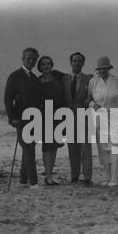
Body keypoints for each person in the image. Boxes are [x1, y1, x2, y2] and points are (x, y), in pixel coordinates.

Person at [87, 56, 118, 187]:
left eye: (105, 69)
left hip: (115, 116)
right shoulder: (93, 82)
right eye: (100, 69)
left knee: (115, 147)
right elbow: (89, 98)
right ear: (97, 70)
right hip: (99, 118)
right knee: (103, 149)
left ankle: (114, 178)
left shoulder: (117, 80)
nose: (102, 71)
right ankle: (107, 178)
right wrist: (92, 105)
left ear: (109, 68)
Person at [4, 47, 42, 189]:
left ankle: (23, 180)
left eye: (34, 59)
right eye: (28, 59)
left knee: (29, 148)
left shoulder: (34, 78)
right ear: (23, 59)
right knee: (28, 149)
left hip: (35, 119)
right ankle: (34, 183)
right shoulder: (15, 76)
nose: (31, 61)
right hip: (20, 119)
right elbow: (8, 99)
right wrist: (12, 117)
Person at [62, 52, 94, 187]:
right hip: (69, 116)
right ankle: (74, 176)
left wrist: (89, 99)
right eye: (74, 61)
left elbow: (95, 94)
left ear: (83, 63)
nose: (77, 63)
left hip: (84, 115)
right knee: (72, 148)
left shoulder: (90, 79)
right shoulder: (64, 79)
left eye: (79, 61)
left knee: (86, 148)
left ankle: (87, 178)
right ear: (71, 63)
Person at [36, 56, 67, 186]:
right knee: (47, 147)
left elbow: (70, 78)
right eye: (43, 64)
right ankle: (48, 176)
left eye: (48, 63)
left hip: (59, 116)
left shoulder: (57, 75)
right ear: (40, 67)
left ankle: (50, 174)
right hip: (45, 115)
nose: (46, 66)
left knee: (55, 146)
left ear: (52, 65)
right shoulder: (37, 82)